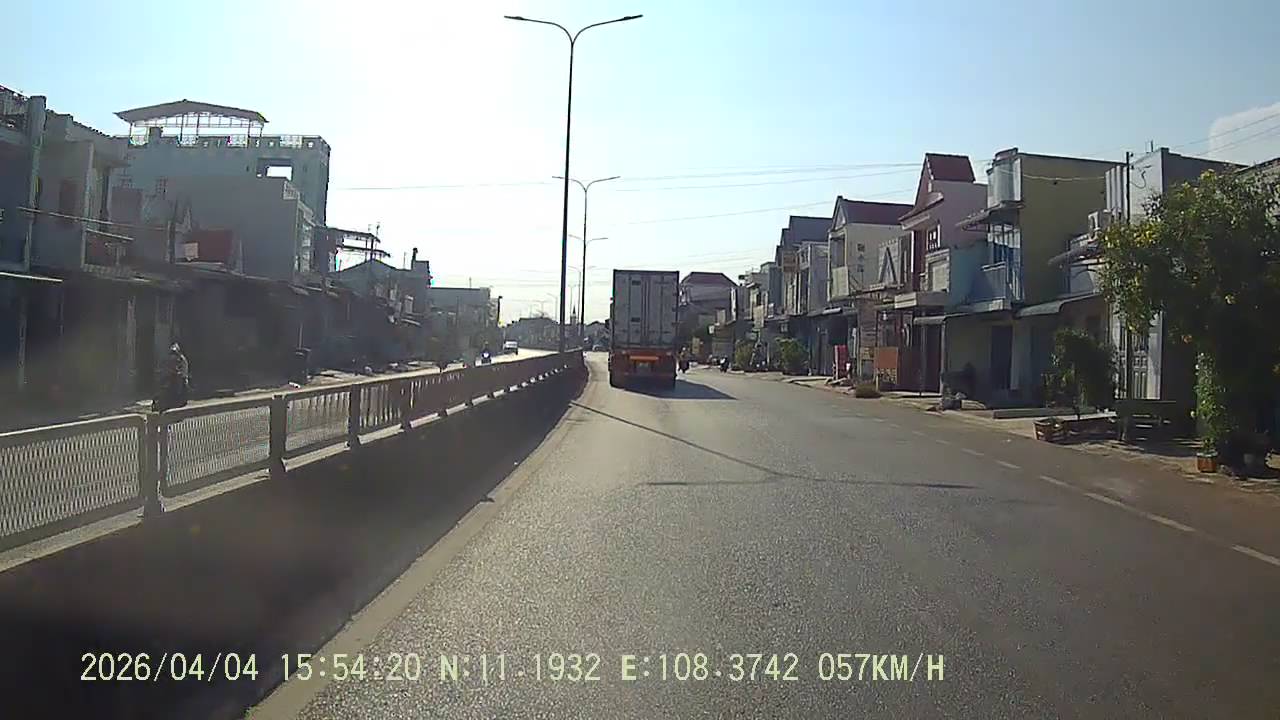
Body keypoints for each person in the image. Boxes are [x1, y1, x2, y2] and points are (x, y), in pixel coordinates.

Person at [154, 342, 190, 411]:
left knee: (178, 384)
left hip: (181, 377)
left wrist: (177, 372)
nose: (173, 355)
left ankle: (176, 399)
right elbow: (167, 366)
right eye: (172, 353)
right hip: (172, 376)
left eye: (174, 353)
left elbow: (180, 368)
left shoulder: (181, 358)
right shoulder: (172, 359)